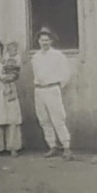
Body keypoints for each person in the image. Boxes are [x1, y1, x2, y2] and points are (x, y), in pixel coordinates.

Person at [31, 28, 75, 160]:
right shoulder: (35, 57)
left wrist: (56, 85)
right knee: (44, 120)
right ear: (38, 41)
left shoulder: (58, 56)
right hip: (39, 90)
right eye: (42, 40)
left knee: (58, 118)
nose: (44, 42)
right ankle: (52, 146)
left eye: (46, 40)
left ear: (51, 41)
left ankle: (66, 147)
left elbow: (66, 74)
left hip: (52, 89)